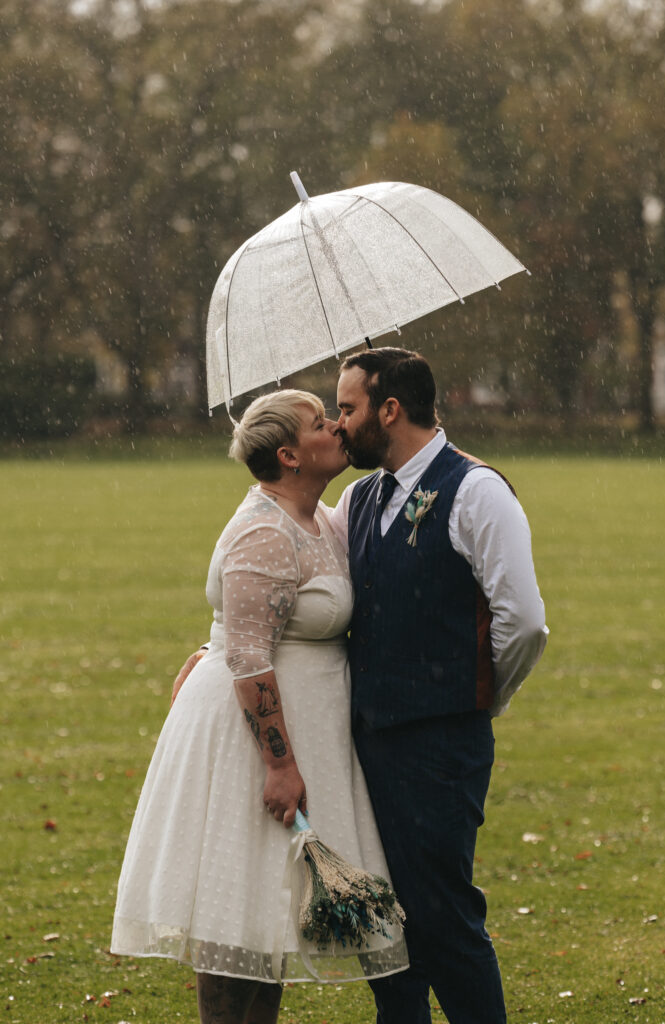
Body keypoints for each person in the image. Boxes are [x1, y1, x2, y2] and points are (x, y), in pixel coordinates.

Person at [111, 389, 408, 1024]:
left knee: (268, 916)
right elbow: (248, 654)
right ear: (289, 455)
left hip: (309, 728)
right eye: (320, 424)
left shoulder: (323, 519)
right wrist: (279, 764)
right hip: (252, 743)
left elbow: (249, 628)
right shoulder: (264, 529)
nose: (336, 428)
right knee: (234, 909)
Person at [327, 346, 548, 1024]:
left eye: (347, 408)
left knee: (442, 922)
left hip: (439, 748)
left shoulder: (476, 490)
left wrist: (479, 697)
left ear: (389, 409)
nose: (338, 426)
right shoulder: (359, 496)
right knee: (383, 933)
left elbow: (524, 622)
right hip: (364, 748)